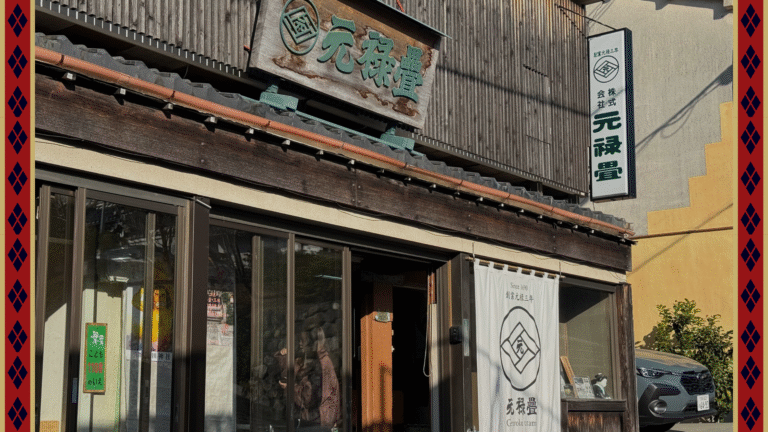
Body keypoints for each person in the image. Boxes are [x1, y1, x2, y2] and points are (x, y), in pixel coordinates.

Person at [276, 328, 340, 431]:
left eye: (303, 340)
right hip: (315, 419)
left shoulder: (321, 364)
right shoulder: (314, 359)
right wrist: (284, 357)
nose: (300, 343)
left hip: (317, 422)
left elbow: (308, 398)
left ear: (312, 343)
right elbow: (291, 374)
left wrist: (290, 388)